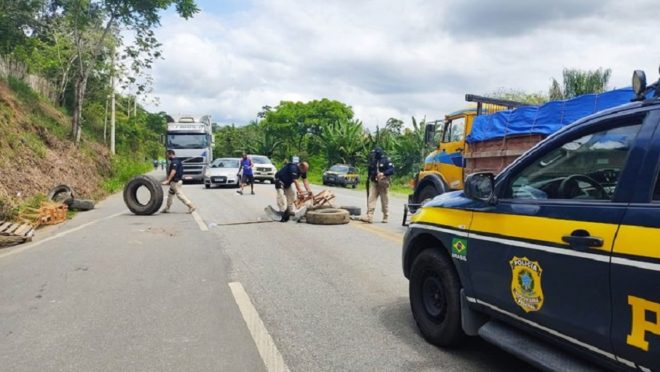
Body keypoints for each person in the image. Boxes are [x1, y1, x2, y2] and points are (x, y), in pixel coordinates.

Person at [361, 147, 394, 223]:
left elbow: (391, 170)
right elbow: (370, 171)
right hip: (375, 184)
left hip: (383, 184)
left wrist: (383, 173)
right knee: (371, 200)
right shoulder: (373, 161)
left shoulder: (386, 160)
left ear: (379, 154)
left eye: (375, 154)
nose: (374, 155)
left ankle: (385, 216)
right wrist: (368, 179)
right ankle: (369, 217)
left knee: (384, 201)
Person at [161, 150, 196, 214]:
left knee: (179, 195)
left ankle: (191, 206)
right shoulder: (176, 161)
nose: (167, 157)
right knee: (170, 195)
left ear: (171, 154)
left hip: (176, 182)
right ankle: (167, 208)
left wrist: (168, 181)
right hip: (174, 182)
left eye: (167, 155)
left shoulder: (175, 162)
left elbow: (173, 172)